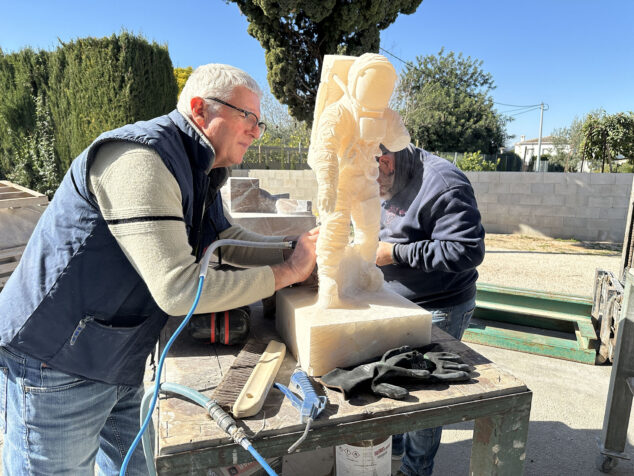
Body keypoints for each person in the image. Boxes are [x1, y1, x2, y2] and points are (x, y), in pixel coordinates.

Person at [0, 64, 317, 475]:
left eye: (260, 123)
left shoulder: (199, 168)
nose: (257, 132)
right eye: (249, 118)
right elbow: (179, 289)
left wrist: (293, 251)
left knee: (135, 469)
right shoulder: (141, 159)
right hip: (57, 362)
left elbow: (223, 238)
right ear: (201, 110)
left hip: (118, 355)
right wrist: (287, 273)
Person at [375, 143, 485, 476]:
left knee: (424, 394)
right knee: (396, 375)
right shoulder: (387, 176)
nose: (371, 191)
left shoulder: (443, 183)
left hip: (440, 306)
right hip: (397, 301)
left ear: (386, 161)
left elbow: (466, 251)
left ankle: (415, 470)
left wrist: (395, 254)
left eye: (371, 180)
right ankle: (396, 444)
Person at [307, 53, 410, 308]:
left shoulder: (385, 115)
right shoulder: (338, 112)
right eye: (373, 83)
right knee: (335, 231)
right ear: (356, 81)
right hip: (341, 182)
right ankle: (329, 277)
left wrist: (390, 124)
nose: (378, 91)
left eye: (384, 86)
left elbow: (401, 141)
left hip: (367, 181)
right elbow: (326, 150)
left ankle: (366, 268)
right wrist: (328, 184)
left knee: (369, 230)